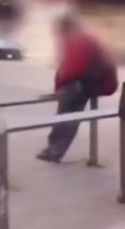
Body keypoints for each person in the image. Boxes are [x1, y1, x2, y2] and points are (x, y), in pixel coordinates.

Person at [37, 16, 118, 162]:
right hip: (92, 82)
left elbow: (72, 69)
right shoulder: (82, 38)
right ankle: (54, 149)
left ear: (65, 29)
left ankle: (55, 151)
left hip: (84, 84)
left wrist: (61, 87)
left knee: (66, 114)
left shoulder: (77, 41)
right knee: (69, 114)